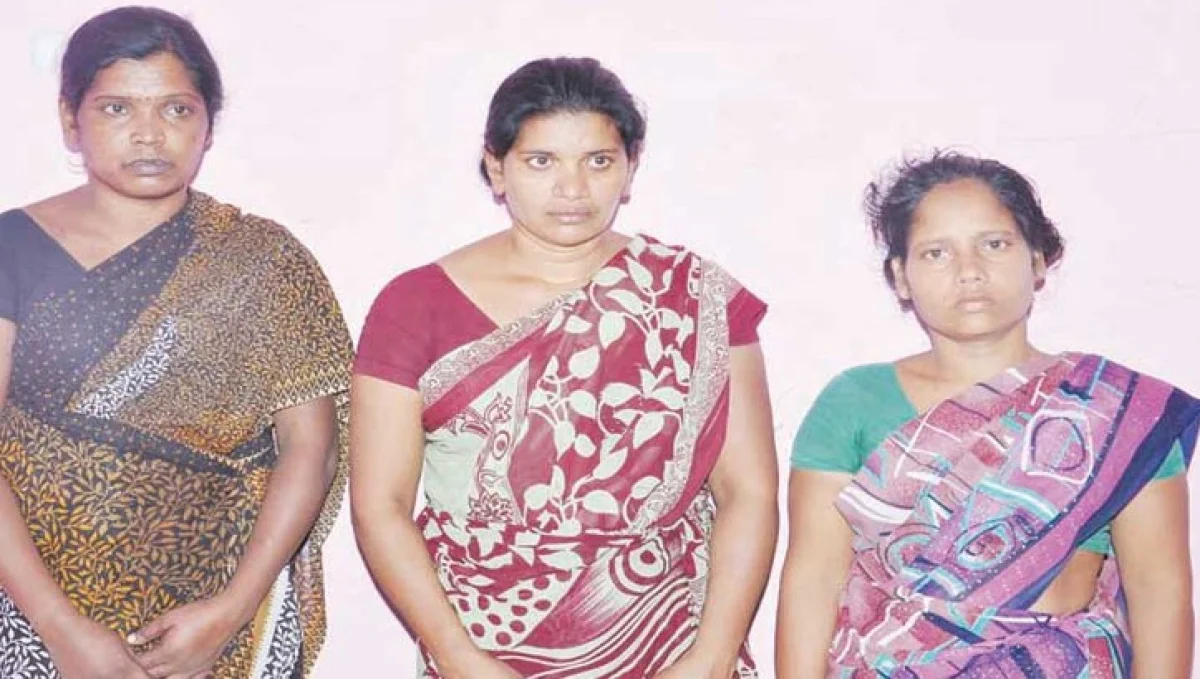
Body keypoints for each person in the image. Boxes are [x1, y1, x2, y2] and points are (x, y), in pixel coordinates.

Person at [350, 56, 778, 678]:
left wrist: (710, 658)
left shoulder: (694, 299)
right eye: (541, 161)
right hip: (483, 641)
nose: (572, 189)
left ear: (631, 166)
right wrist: (458, 656)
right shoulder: (416, 305)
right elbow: (380, 504)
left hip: (671, 643)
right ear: (496, 167)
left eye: (598, 161)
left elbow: (750, 492)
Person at [0, 7, 351, 678]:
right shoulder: (10, 248)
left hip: (220, 619)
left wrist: (230, 612)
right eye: (116, 109)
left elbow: (312, 449)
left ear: (207, 125)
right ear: (71, 120)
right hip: (31, 614)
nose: (148, 133)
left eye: (176, 110)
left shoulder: (264, 260)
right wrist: (57, 626)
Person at [776, 151, 1198, 677]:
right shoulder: (855, 401)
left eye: (994, 244)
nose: (970, 271)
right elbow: (814, 579)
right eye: (936, 253)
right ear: (901, 277)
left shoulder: (1118, 411)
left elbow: (1158, 589)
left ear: (1037, 260)